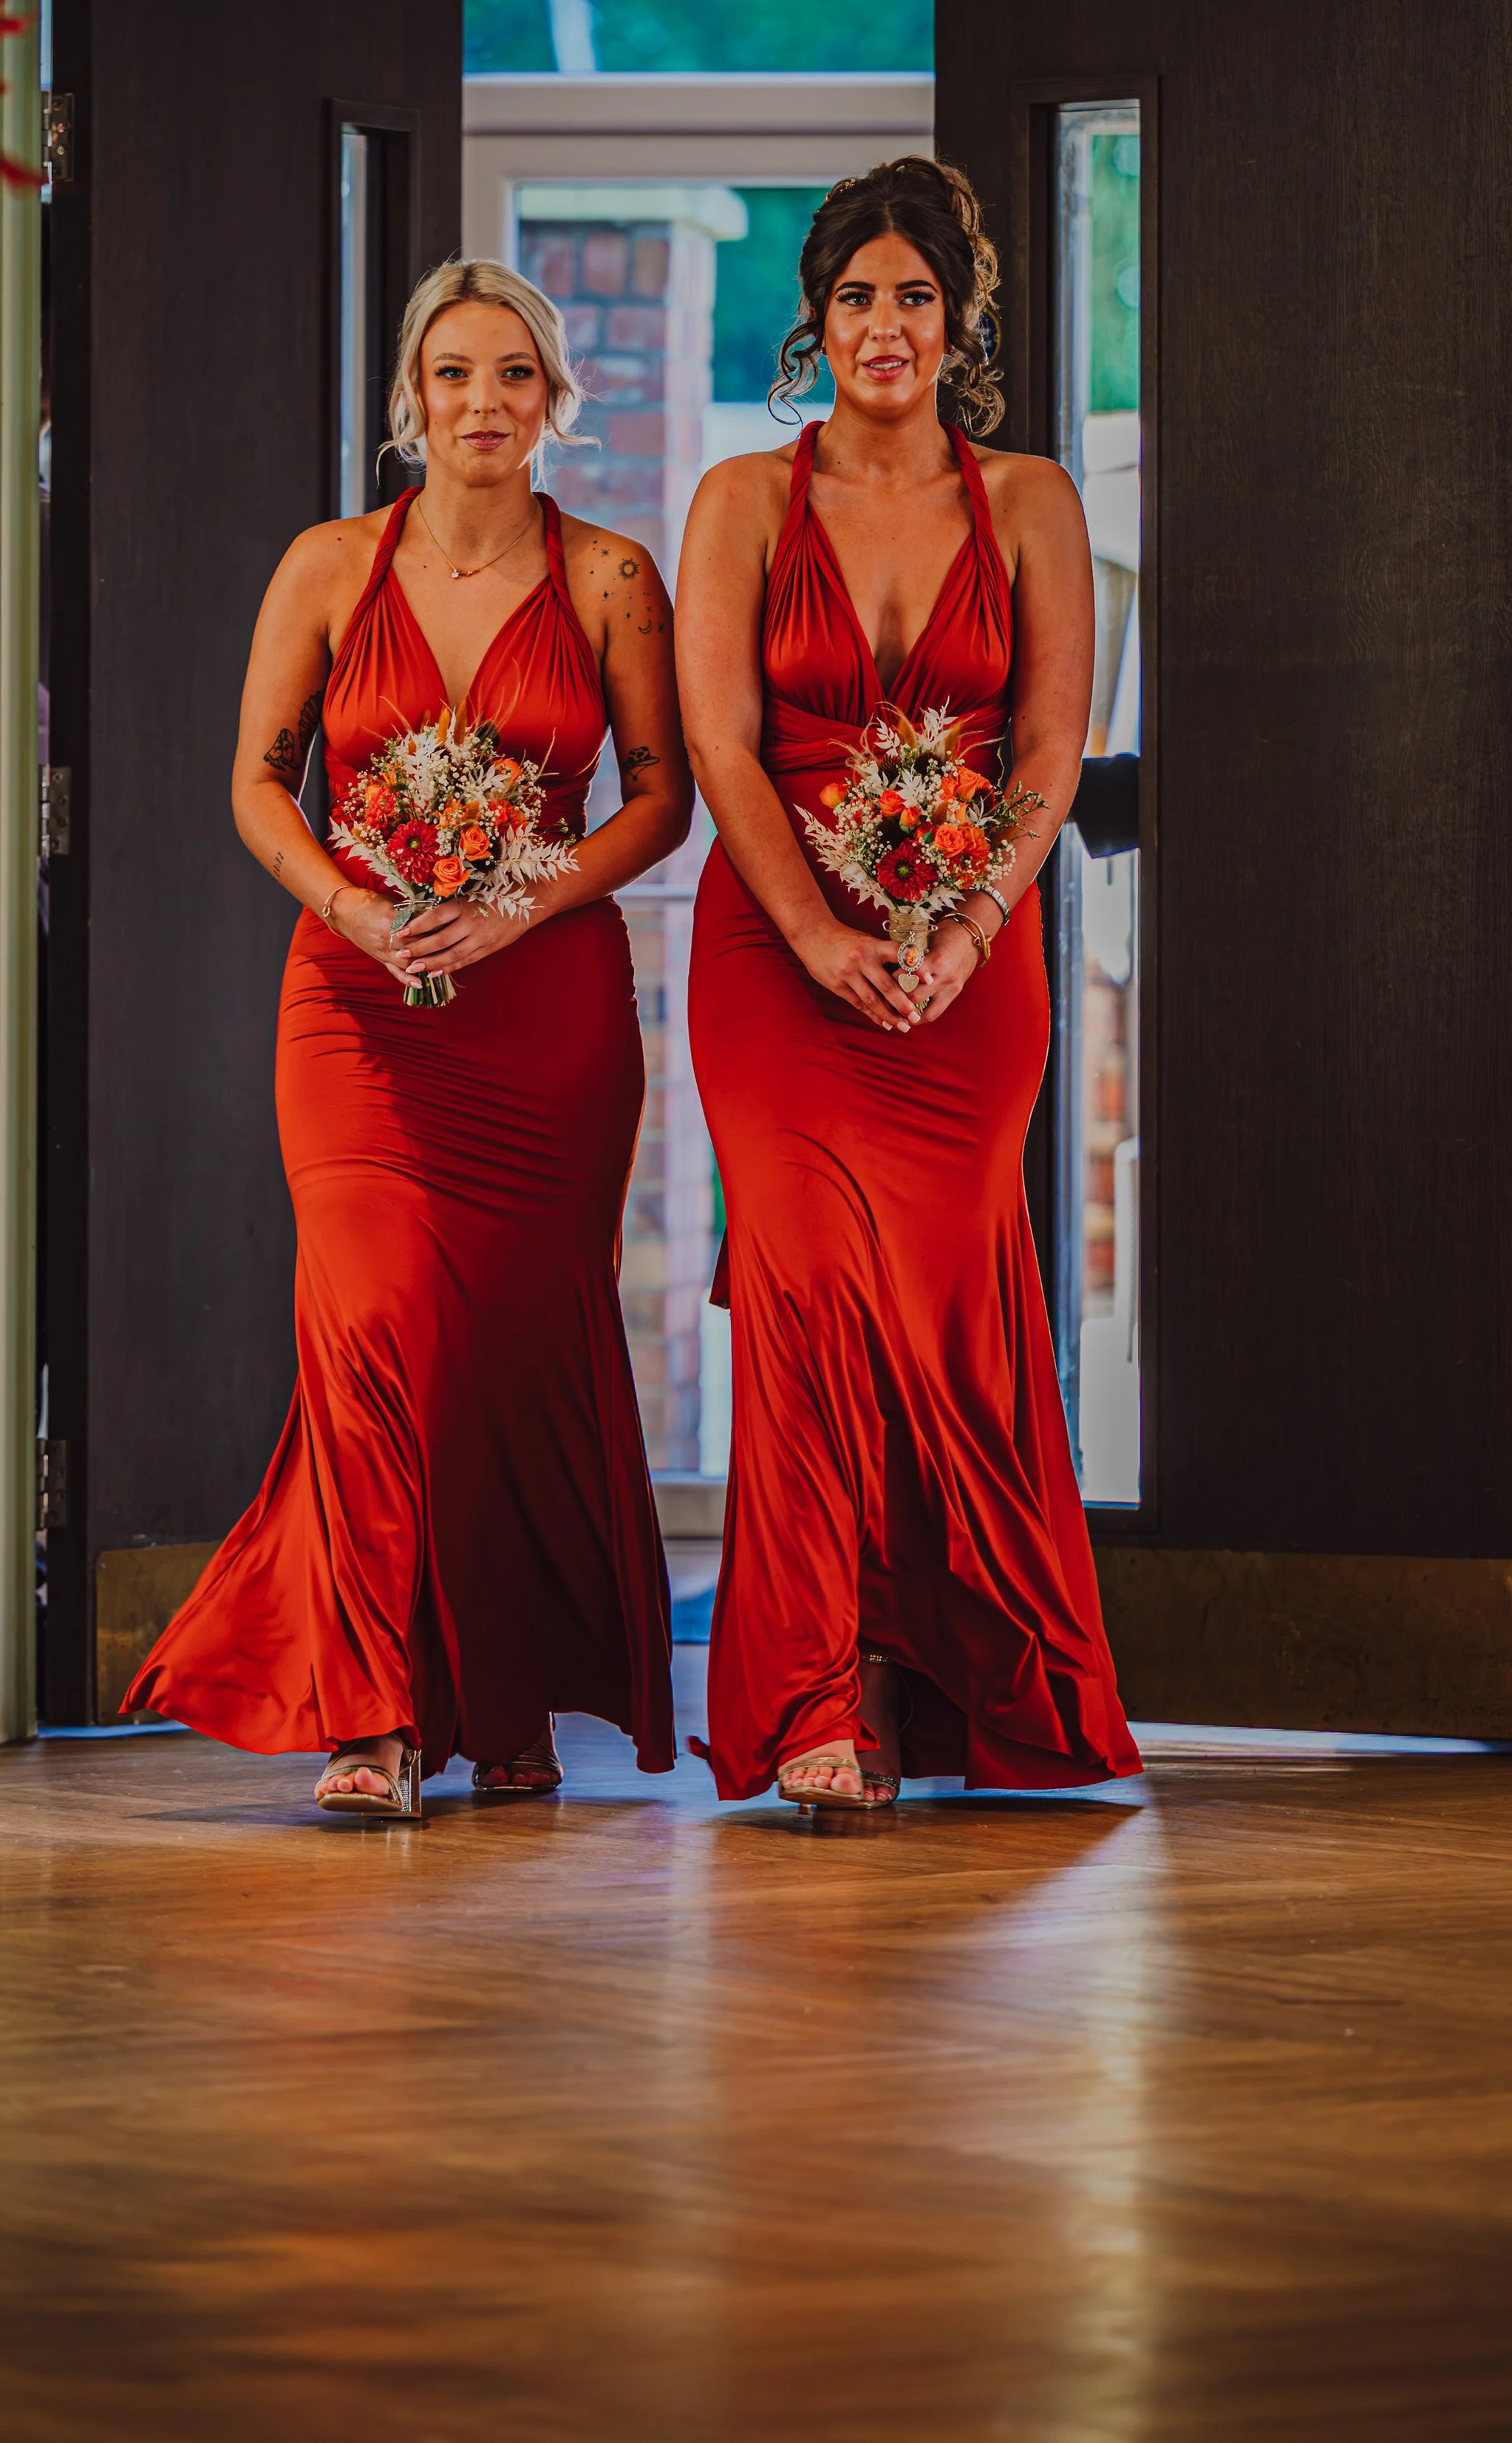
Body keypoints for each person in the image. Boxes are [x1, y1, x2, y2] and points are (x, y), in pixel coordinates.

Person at [125, 259, 693, 1817]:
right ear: (409, 399)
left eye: (514, 375)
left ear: (554, 399)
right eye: (453, 374)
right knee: (370, 1331)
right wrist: (356, 909)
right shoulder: (324, 567)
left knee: (509, 1354)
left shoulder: (610, 578)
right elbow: (256, 779)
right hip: (357, 1004)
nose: (483, 403)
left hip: (547, 1015)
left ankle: (503, 1702)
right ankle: (368, 1715)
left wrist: (519, 907)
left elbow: (659, 796)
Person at [675, 158, 1140, 1809]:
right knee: (806, 1306)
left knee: (936, 1321)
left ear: (960, 321)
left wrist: (964, 924)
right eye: (857, 296)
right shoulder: (740, 499)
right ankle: (809, 1706)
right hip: (770, 960)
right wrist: (812, 931)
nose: (885, 325)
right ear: (815, 320)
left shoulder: (1028, 504)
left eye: (915, 298)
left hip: (968, 964)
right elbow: (719, 745)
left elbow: (1043, 751)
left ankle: (928, 1678)